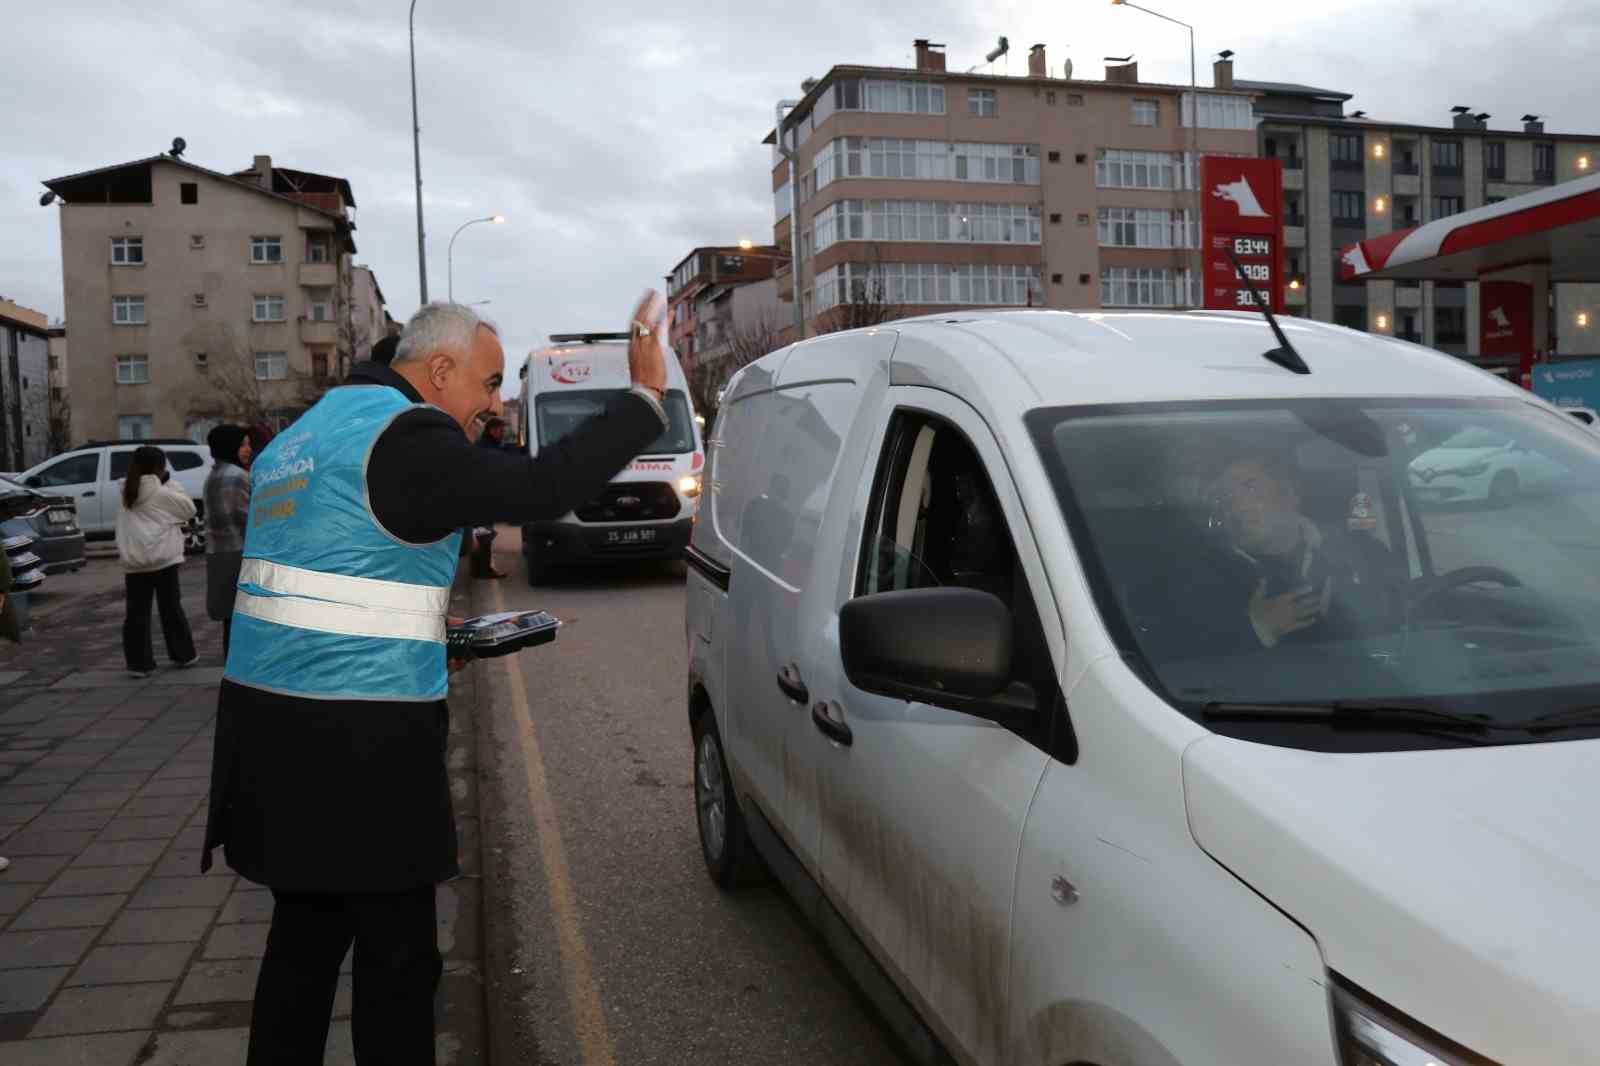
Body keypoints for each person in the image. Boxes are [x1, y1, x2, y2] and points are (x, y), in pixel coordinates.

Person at [203, 294, 670, 1066]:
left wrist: (433, 633)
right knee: (397, 961)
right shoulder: (406, 435)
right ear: (440, 368)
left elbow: (326, 579)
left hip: (267, 737)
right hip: (359, 749)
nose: (491, 405)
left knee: (302, 949)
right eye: (487, 384)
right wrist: (644, 400)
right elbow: (539, 489)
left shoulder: (307, 434)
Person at [1175, 452, 1396, 654]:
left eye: (1249, 487)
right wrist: (1256, 629)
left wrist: (1361, 614)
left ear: (1290, 493)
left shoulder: (1365, 553)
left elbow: (1406, 631)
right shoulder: (1202, 573)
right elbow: (1181, 659)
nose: (1235, 506)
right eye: (1224, 497)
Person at [115, 445, 199, 677]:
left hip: (134, 562)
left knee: (135, 614)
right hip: (163, 559)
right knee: (171, 609)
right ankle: (182, 654)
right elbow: (189, 509)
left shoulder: (125, 492)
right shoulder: (162, 492)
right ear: (161, 468)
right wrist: (169, 484)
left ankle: (138, 664)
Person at [204, 424, 254, 656]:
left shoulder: (213, 475)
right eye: (243, 444)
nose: (248, 449)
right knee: (245, 618)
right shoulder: (237, 476)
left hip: (218, 555)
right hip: (240, 554)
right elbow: (250, 518)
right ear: (230, 446)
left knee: (230, 620)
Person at [470, 418, 510, 579]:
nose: (503, 433)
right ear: (492, 430)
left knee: (483, 534)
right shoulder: (485, 447)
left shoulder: (487, 445)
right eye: (500, 429)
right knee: (483, 535)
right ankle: (483, 571)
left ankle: (479, 570)